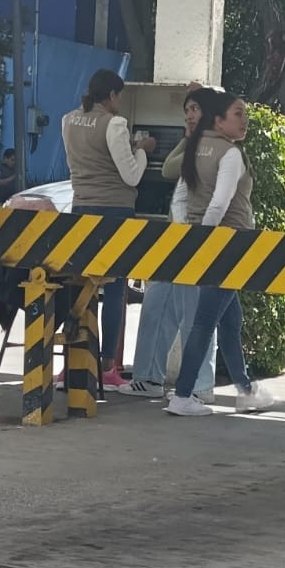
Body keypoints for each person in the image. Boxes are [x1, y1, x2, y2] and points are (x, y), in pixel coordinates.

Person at [166, 91, 276, 418]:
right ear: (219, 120)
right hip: (228, 244)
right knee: (205, 322)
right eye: (238, 114)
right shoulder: (230, 154)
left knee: (231, 319)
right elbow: (220, 202)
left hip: (207, 241)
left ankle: (245, 389)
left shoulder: (195, 147)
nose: (244, 120)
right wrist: (208, 240)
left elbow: (181, 198)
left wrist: (189, 233)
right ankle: (183, 394)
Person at [115, 86, 218, 400]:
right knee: (157, 304)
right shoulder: (195, 141)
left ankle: (200, 385)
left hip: (199, 238)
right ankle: (148, 377)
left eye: (196, 110)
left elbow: (172, 168)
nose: (189, 116)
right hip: (175, 237)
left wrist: (189, 138)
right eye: (187, 110)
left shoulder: (214, 145)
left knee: (194, 312)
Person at [60, 69, 155, 388]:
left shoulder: (68, 120)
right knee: (114, 286)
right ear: (112, 95)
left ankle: (75, 360)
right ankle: (109, 367)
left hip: (81, 208)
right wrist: (142, 149)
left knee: (82, 282)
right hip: (115, 210)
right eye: (119, 97)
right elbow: (131, 176)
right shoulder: (115, 124)